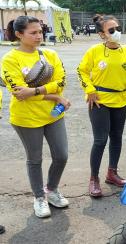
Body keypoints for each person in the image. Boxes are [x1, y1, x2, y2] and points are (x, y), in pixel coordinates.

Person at [1, 16, 70, 218]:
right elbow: (18, 93)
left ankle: (52, 189)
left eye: (40, 31)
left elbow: (61, 82)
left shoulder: (50, 54)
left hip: (52, 115)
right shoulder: (10, 59)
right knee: (35, 159)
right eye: (33, 32)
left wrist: (35, 91)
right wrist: (53, 95)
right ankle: (39, 197)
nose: (39, 36)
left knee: (61, 155)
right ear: (19, 34)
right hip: (26, 118)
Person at [77, 14, 126, 197]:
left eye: (118, 29)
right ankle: (93, 179)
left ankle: (112, 173)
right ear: (102, 34)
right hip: (100, 102)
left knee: (117, 137)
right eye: (111, 30)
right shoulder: (94, 51)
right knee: (100, 140)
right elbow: (82, 71)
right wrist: (89, 89)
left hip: (122, 101)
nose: (116, 32)